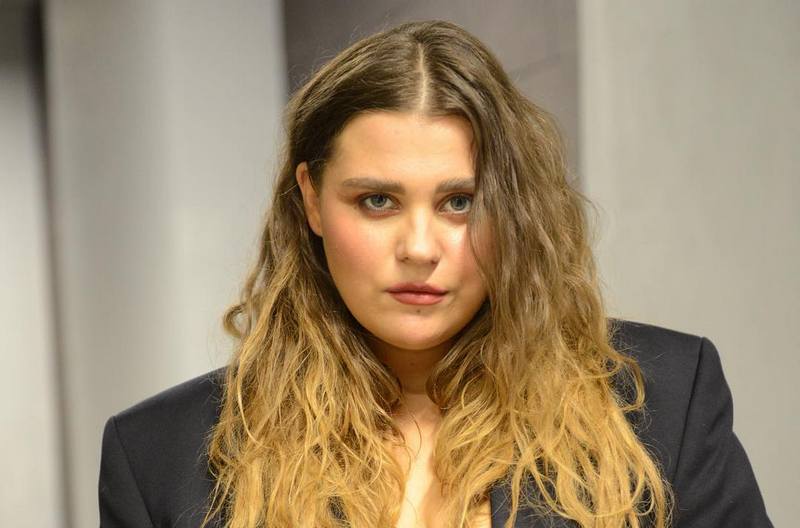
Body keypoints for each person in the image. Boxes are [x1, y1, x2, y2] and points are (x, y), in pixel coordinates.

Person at [98, 20, 772, 528]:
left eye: (460, 202)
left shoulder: (661, 407)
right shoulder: (161, 457)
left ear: (514, 206)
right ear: (311, 200)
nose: (420, 248)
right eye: (377, 201)